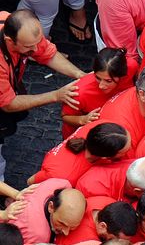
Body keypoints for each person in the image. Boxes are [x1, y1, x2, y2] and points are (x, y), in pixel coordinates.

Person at [0, 10, 86, 146]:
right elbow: (8, 104)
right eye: (28, 46)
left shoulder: (19, 29)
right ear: (9, 41)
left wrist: (80, 74)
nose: (35, 49)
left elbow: (47, 53)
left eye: (38, 41)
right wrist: (56, 95)